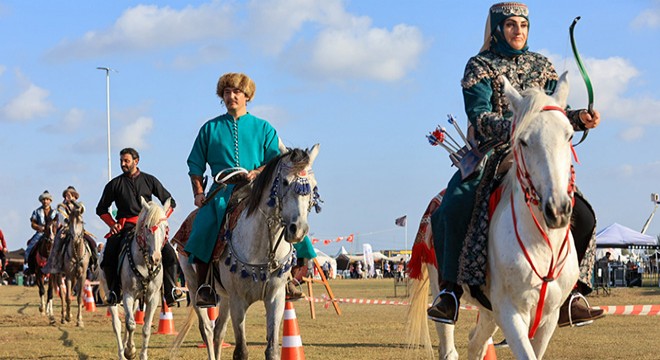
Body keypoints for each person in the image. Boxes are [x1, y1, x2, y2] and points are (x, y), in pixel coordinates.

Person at [427, 2, 604, 327]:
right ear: (497, 28)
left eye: (523, 25)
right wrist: (515, 127)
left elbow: (554, 112)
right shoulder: (479, 66)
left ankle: (573, 294)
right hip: (492, 152)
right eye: (510, 25)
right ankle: (449, 292)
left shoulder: (543, 65)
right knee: (452, 206)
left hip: (537, 152)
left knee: (583, 213)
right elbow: (479, 115)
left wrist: (577, 118)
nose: (518, 31)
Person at [185, 72, 281, 307]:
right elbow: (195, 164)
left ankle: (291, 278)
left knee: (290, 218)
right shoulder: (209, 129)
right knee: (203, 225)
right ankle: (205, 286)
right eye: (227, 92)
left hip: (257, 189)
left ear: (247, 95)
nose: (231, 96)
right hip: (222, 191)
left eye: (237, 92)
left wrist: (257, 172)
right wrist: (198, 193)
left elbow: (276, 160)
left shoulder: (264, 128)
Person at [96, 147, 183, 306]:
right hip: (125, 227)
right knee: (108, 255)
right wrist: (112, 225)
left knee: (170, 253)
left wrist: (159, 220)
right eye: (121, 161)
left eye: (126, 161)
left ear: (136, 161)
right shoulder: (115, 184)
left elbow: (170, 202)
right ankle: (114, 292)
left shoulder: (150, 180)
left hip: (149, 228)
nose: (123, 164)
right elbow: (101, 209)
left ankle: (170, 291)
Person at [43, 186, 99, 274]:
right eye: (66, 195)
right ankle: (55, 264)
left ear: (75, 197)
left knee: (92, 242)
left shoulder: (79, 205)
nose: (67, 197)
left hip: (79, 229)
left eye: (70, 195)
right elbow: (62, 218)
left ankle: (94, 263)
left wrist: (72, 201)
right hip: (66, 229)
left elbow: (81, 210)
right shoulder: (61, 206)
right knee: (57, 243)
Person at [25, 191, 58, 273]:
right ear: (41, 201)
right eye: (44, 199)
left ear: (50, 201)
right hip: (41, 233)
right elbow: (33, 223)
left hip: (52, 233)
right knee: (30, 247)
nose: (45, 201)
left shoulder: (55, 212)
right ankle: (28, 266)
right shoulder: (37, 211)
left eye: (47, 199)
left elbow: (58, 223)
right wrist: (39, 227)